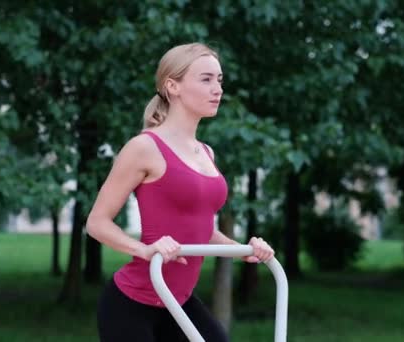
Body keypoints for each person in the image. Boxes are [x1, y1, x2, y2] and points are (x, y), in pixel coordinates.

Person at [86, 42, 275, 342]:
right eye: (206, 79)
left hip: (178, 302)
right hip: (132, 303)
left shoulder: (206, 153)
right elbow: (96, 222)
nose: (218, 89)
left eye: (220, 80)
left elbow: (199, 227)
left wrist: (244, 250)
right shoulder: (144, 148)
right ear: (172, 86)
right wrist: (144, 249)